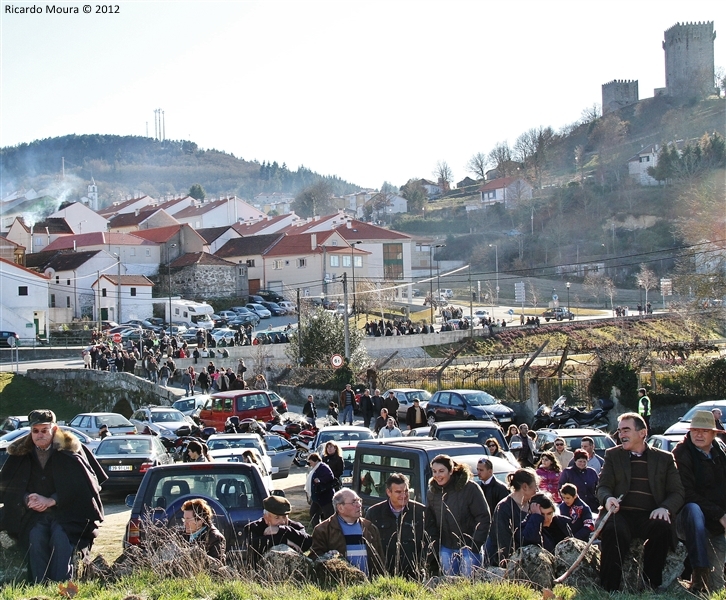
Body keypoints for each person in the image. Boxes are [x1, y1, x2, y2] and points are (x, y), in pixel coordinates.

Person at [0, 409, 106, 583]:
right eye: (35, 431)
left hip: (68, 514)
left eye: (44, 430)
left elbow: (84, 487)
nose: (39, 435)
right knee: (36, 538)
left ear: (54, 429)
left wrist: (52, 500)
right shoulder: (21, 454)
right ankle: (40, 588)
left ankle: (62, 588)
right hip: (33, 516)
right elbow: (8, 488)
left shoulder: (70, 452)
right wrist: (27, 498)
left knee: (61, 539)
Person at [597, 412, 684, 592]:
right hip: (620, 513)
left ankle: (650, 585)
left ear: (642, 433)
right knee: (614, 530)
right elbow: (602, 487)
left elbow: (677, 492)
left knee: (662, 527)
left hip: (650, 514)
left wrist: (665, 508)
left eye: (626, 430)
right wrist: (608, 499)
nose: (621, 435)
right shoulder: (613, 455)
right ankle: (608, 589)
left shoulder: (664, 458)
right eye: (620, 430)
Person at [672, 410, 726, 593]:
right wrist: (720, 514)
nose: (698, 434)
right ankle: (699, 572)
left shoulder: (720, 450)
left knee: (716, 587)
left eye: (704, 431)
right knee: (694, 509)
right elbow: (686, 493)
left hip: (716, 521)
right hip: (688, 520)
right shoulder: (681, 453)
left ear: (713, 433)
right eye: (695, 430)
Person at [425, 454, 490, 576]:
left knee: (468, 587)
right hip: (446, 548)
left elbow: (483, 517)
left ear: (451, 471)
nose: (437, 475)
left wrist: (475, 544)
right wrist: (435, 545)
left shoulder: (470, 488)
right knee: (450, 586)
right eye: (434, 471)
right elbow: (431, 521)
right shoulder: (432, 493)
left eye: (441, 471)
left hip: (469, 548)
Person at [311, 489, 385, 577]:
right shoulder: (323, 530)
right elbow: (314, 559)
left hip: (368, 586)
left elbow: (380, 561)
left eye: (359, 500)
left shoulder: (370, 528)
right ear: (340, 508)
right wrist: (328, 557)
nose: (359, 505)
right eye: (354, 502)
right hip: (340, 586)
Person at [365, 473, 426, 579]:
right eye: (398, 492)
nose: (403, 495)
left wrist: (420, 564)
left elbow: (430, 540)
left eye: (406, 491)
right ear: (388, 492)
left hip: (414, 574)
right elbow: (368, 543)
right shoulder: (374, 513)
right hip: (384, 574)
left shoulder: (420, 511)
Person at [485, 468, 539, 566]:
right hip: (506, 564)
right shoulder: (504, 508)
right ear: (525, 487)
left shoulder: (534, 504)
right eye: (535, 487)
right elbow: (504, 543)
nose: (537, 491)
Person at [241, 495, 312, 567]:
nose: (282, 522)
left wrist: (281, 530)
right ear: (266, 518)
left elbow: (307, 542)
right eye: (277, 517)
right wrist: (285, 540)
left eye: (284, 517)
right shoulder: (253, 528)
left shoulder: (295, 526)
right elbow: (253, 545)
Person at [181, 498, 226, 564]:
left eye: (188, 519)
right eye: (184, 519)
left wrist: (199, 554)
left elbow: (219, 565)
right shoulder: (182, 535)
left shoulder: (215, 538)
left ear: (201, 520)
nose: (185, 523)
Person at [306, 453, 336, 527]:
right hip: (317, 497)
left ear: (316, 461)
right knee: (313, 513)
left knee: (329, 515)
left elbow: (330, 476)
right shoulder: (315, 468)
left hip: (325, 497)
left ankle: (331, 530)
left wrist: (320, 480)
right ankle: (317, 530)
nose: (310, 464)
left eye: (311, 462)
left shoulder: (323, 467)